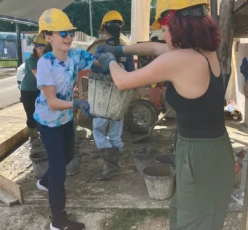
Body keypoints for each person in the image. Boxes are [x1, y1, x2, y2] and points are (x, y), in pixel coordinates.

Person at [97, 1, 235, 229]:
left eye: (166, 26)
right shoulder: (202, 51)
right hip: (211, 150)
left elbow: (122, 82)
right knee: (184, 213)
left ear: (181, 24)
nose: (164, 32)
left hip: (200, 157)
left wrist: (110, 61)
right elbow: (154, 48)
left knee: (194, 222)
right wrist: (121, 50)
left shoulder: (180, 60)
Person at [33, 8, 99, 230]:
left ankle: (44, 181)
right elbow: (52, 102)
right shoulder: (45, 64)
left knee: (69, 154)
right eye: (63, 33)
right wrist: (77, 103)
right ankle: (57, 222)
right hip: (48, 121)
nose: (69, 37)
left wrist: (111, 56)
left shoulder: (75, 56)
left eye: (70, 32)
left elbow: (96, 60)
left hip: (64, 118)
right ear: (49, 37)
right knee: (59, 170)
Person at [91, 10, 135, 180]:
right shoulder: (126, 51)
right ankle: (115, 154)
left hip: (104, 98)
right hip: (121, 97)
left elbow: (95, 69)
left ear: (104, 30)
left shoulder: (102, 49)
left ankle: (110, 163)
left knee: (98, 130)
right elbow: (132, 73)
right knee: (116, 131)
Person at [20, 34, 47, 151]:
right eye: (39, 48)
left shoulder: (46, 59)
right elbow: (39, 76)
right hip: (28, 91)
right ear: (35, 47)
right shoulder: (31, 60)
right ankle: (33, 137)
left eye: (43, 48)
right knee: (31, 114)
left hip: (38, 90)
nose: (41, 50)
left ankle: (42, 134)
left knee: (40, 113)